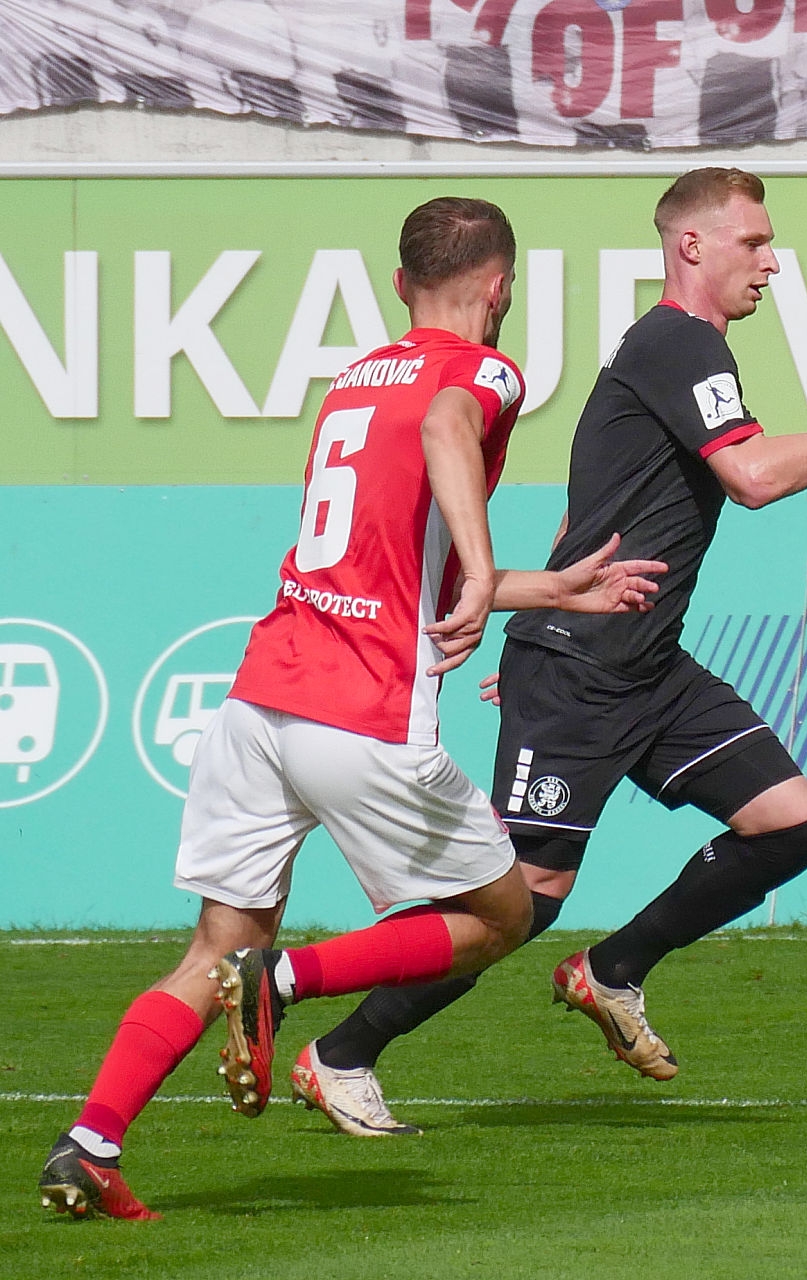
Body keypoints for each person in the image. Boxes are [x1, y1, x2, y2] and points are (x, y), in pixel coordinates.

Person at [38, 196, 666, 1220]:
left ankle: (89, 1144)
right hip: (363, 710)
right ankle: (284, 981)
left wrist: (545, 587)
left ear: (399, 282)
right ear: (499, 286)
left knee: (211, 950)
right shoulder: (485, 371)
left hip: (260, 704)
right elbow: (449, 428)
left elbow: (390, 566)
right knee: (503, 914)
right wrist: (479, 572)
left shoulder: (354, 381)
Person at [292, 166, 807, 1138]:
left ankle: (614, 968)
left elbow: (585, 512)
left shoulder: (677, 352)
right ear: (692, 246)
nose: (770, 261)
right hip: (584, 672)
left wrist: (535, 630)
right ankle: (341, 1051)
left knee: (791, 826)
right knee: (520, 903)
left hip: (645, 663)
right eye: (754, 241)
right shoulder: (676, 341)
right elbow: (751, 477)